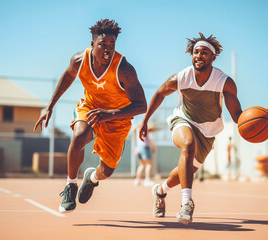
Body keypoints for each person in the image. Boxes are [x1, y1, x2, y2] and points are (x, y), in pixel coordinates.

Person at [33, 19, 147, 213]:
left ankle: (92, 178)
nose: (107, 49)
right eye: (103, 44)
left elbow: (141, 105)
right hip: (91, 108)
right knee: (79, 136)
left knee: (107, 171)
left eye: (112, 45)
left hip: (117, 118)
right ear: (92, 44)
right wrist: (49, 106)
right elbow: (68, 76)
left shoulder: (124, 69)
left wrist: (110, 114)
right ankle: (70, 186)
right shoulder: (80, 59)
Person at [139, 32, 242, 225]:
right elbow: (160, 93)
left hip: (208, 131)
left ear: (213, 57)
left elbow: (237, 116)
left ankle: (160, 191)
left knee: (185, 172)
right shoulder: (182, 77)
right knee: (187, 143)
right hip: (183, 120)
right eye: (196, 52)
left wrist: (253, 125)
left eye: (204, 52)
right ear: (191, 55)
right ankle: (187, 203)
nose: (199, 55)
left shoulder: (224, 82)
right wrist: (145, 120)